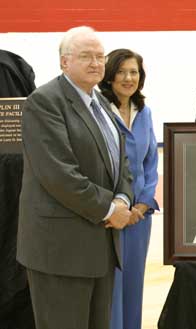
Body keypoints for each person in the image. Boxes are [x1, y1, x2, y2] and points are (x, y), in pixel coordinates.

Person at [16, 26, 133, 329]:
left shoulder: (103, 103)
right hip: (61, 252)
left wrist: (123, 197)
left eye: (100, 56)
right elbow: (59, 175)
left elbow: (121, 162)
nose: (96, 63)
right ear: (64, 62)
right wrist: (111, 209)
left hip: (100, 247)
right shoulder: (44, 102)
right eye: (86, 56)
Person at [98, 49, 159, 329]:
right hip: (108, 216)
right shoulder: (97, 109)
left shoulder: (144, 112)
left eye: (134, 72)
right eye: (121, 71)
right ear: (109, 76)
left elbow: (150, 162)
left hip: (139, 219)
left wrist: (144, 205)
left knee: (134, 283)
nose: (128, 78)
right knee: (110, 288)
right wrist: (117, 208)